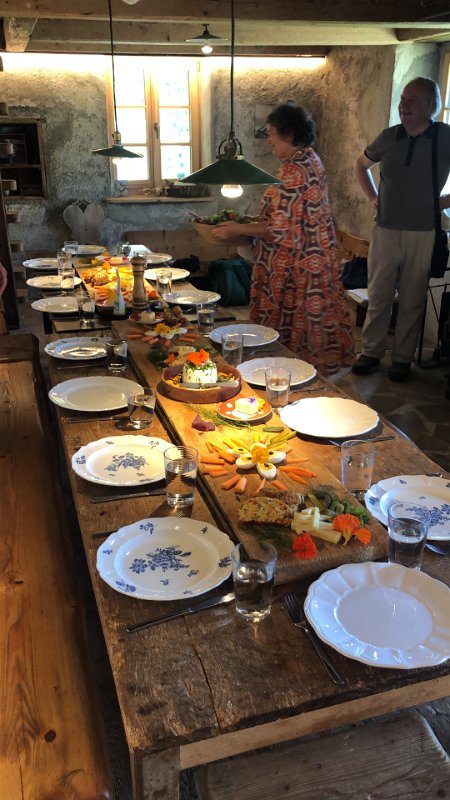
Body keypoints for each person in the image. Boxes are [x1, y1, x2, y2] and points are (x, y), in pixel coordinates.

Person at [212, 102, 354, 376]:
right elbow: (289, 216)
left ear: (288, 135)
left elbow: (280, 229)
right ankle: (299, 376)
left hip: (296, 267)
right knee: (308, 327)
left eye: (271, 134)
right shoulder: (309, 159)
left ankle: (285, 377)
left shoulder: (294, 169)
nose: (269, 141)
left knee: (290, 330)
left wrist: (239, 229)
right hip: (313, 259)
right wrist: (250, 223)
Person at [352, 77, 450, 382]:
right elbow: (360, 165)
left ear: (431, 106)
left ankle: (402, 359)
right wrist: (373, 198)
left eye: (412, 101)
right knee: (379, 294)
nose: (403, 105)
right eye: (403, 99)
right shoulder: (389, 136)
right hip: (385, 230)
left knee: (412, 298)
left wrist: (443, 202)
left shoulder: (444, 137)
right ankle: (371, 352)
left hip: (423, 232)